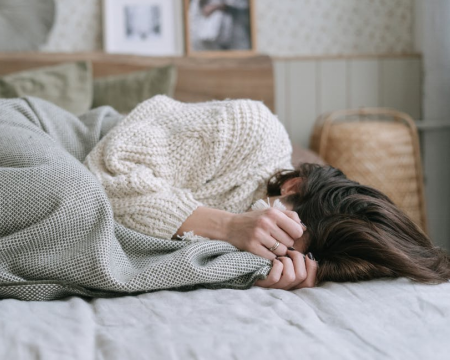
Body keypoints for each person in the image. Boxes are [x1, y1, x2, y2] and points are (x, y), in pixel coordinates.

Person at [84, 95, 450, 290]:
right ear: (293, 186)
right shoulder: (249, 130)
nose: (270, 246)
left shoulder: (286, 255)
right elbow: (104, 182)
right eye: (278, 235)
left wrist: (261, 273)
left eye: (281, 250)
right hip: (77, 141)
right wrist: (227, 226)